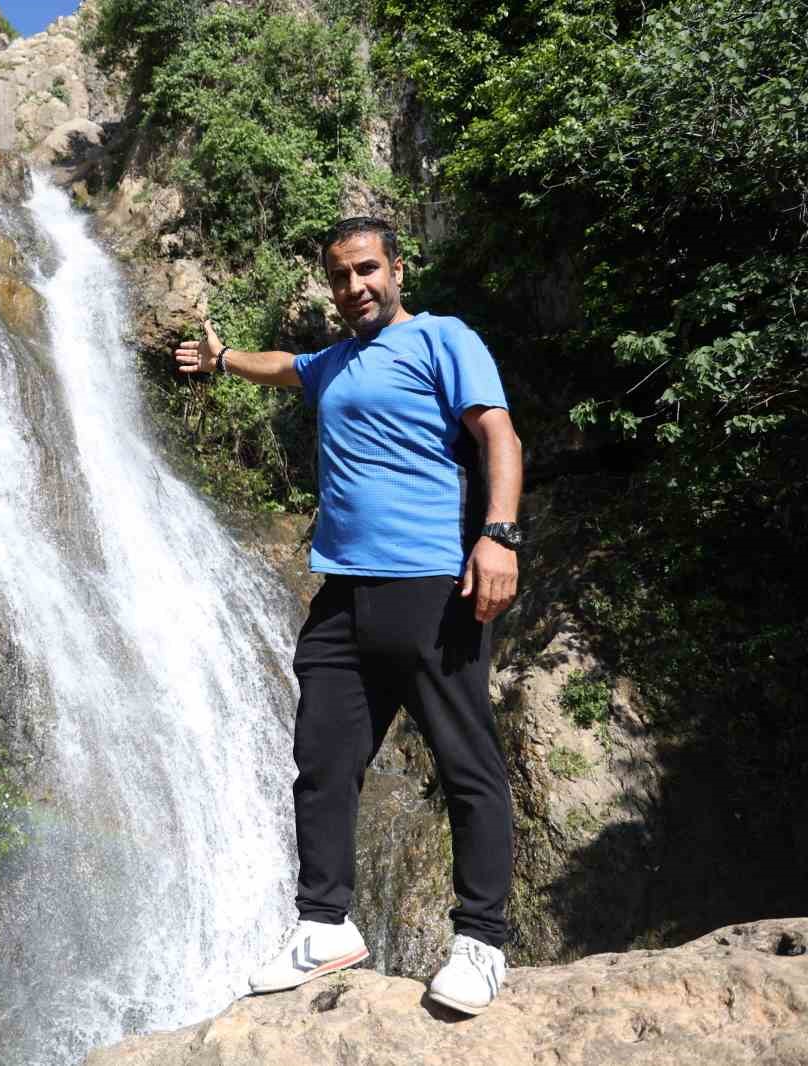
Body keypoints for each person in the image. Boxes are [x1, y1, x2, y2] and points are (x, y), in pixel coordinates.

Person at [174, 216, 523, 1016]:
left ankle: (481, 940)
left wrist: (498, 535)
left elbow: (497, 433)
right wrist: (222, 359)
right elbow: (283, 368)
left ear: (397, 269)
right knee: (323, 761)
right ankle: (324, 923)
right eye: (340, 276)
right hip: (341, 592)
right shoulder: (335, 362)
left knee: (466, 763)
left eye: (367, 269)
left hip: (433, 582)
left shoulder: (442, 338)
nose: (355, 286)